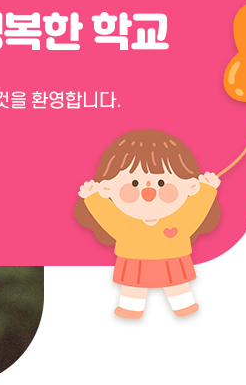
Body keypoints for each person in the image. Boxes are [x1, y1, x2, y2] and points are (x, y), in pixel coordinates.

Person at [76, 129, 220, 328]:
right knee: (133, 290)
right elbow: (108, 217)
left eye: (162, 182)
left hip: (168, 258)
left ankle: (184, 308)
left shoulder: (178, 221)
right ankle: (131, 311)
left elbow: (196, 212)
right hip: (138, 261)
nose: (148, 191)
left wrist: (206, 190)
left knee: (177, 287)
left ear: (189, 186)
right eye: (134, 183)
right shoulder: (126, 226)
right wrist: (93, 199)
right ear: (108, 188)